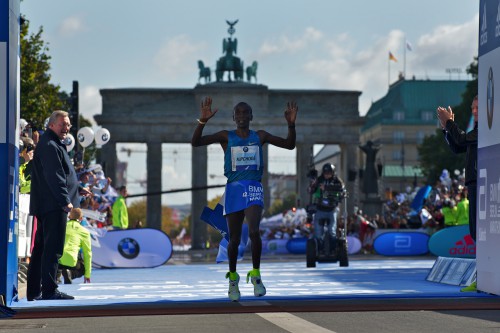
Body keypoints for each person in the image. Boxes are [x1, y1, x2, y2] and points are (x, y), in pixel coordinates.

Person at [191, 97, 297, 301]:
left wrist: (291, 124)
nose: (241, 116)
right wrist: (202, 121)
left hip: (253, 187)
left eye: (245, 113)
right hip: (234, 189)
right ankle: (233, 278)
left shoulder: (261, 136)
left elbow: (289, 145)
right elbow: (196, 143)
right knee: (235, 239)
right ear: (233, 117)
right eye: (237, 113)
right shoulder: (225, 136)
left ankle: (256, 274)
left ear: (251, 116)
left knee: (255, 231)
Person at [26, 110, 79, 301]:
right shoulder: (49, 145)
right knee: (52, 248)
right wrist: (65, 201)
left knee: (41, 248)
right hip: (54, 205)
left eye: (68, 124)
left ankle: (34, 291)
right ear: (51, 125)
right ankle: (49, 290)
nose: (67, 127)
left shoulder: (52, 143)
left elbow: (61, 174)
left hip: (50, 204)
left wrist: (78, 188)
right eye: (63, 124)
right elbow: (54, 176)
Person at [437, 94, 478, 292]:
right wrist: (447, 128)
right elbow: (457, 147)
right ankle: (483, 275)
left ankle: (485, 275)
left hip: (483, 184)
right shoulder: (478, 130)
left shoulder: (489, 130)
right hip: (474, 183)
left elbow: (461, 139)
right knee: (476, 232)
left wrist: (450, 123)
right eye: (472, 107)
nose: (474, 111)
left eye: (477, 107)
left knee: (480, 232)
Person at [308, 163, 346, 248]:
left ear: (333, 173)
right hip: (320, 208)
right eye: (325, 173)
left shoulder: (337, 180)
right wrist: (312, 184)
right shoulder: (319, 179)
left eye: (329, 173)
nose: (327, 175)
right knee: (318, 232)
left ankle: (333, 248)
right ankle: (319, 248)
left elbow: (341, 187)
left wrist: (327, 188)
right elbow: (311, 190)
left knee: (332, 231)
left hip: (332, 209)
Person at [58, 208, 92, 284]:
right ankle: (70, 273)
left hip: (57, 259)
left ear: (69, 216)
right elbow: (88, 254)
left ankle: (57, 274)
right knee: (81, 267)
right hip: (71, 261)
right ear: (81, 218)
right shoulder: (85, 232)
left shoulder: (61, 226)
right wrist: (87, 274)